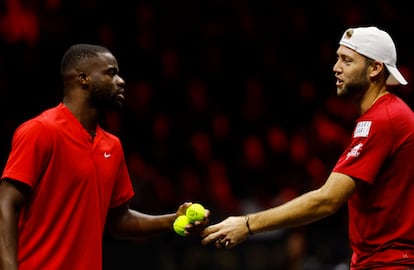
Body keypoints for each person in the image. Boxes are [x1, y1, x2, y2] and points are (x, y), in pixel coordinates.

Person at [201, 26, 414, 269]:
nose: (336, 68)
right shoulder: (384, 115)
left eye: (347, 60)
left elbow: (327, 200)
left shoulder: (384, 118)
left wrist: (248, 225)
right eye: (337, 58)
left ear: (375, 69)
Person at [0, 44, 209, 270]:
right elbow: (6, 203)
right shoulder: (40, 131)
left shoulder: (113, 145)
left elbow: (120, 221)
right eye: (111, 73)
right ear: (83, 78)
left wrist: (172, 219)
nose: (121, 81)